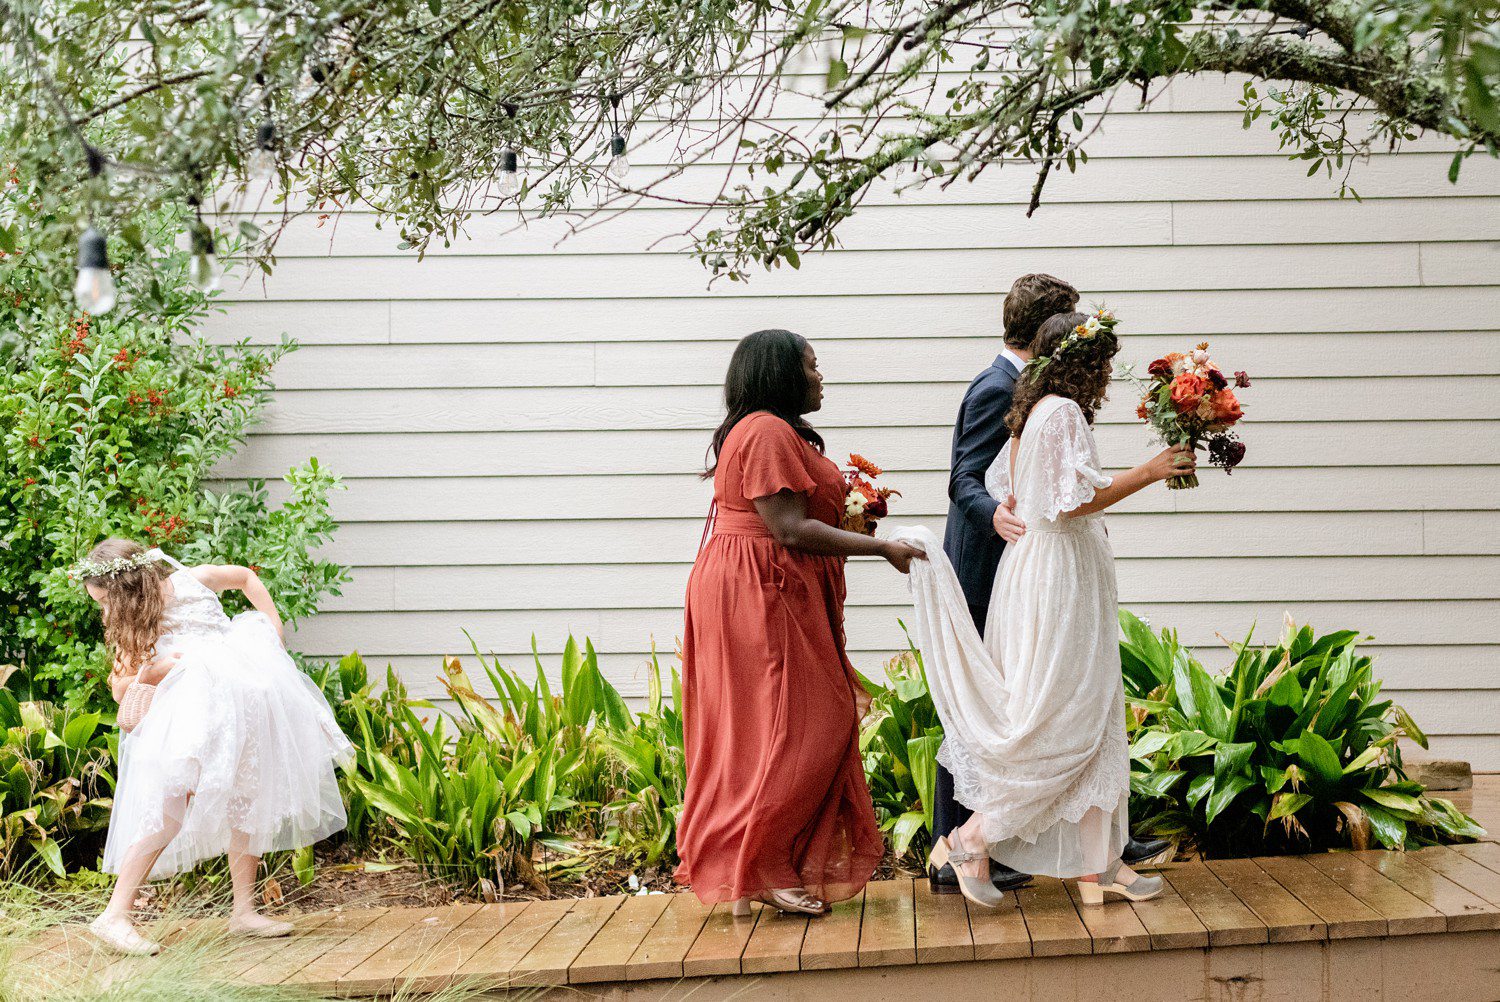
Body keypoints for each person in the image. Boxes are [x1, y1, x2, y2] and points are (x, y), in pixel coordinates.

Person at [896, 311, 1194, 908]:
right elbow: (1072, 501)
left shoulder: (1035, 412)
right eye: (1104, 362)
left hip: (1050, 571)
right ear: (1082, 363)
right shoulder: (1060, 412)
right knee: (1064, 724)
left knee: (1092, 718)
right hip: (1060, 577)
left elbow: (1011, 485)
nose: (1110, 373)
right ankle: (970, 837)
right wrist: (1153, 470)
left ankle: (1097, 869)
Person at [674, 329, 925, 917]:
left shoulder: (769, 431)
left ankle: (755, 868)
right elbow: (788, 527)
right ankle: (759, 866)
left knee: (769, 725)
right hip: (761, 586)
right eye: (812, 366)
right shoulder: (764, 430)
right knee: (798, 721)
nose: (821, 376)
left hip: (760, 580)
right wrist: (882, 548)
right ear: (781, 374)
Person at [77, 539, 353, 955]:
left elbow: (245, 577)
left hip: (242, 709)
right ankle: (115, 914)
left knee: (248, 796)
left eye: (105, 600)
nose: (105, 612)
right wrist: (153, 673)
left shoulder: (194, 580)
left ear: (129, 587)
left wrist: (273, 627)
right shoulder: (136, 626)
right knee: (170, 805)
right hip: (190, 719)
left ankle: (244, 911)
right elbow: (121, 690)